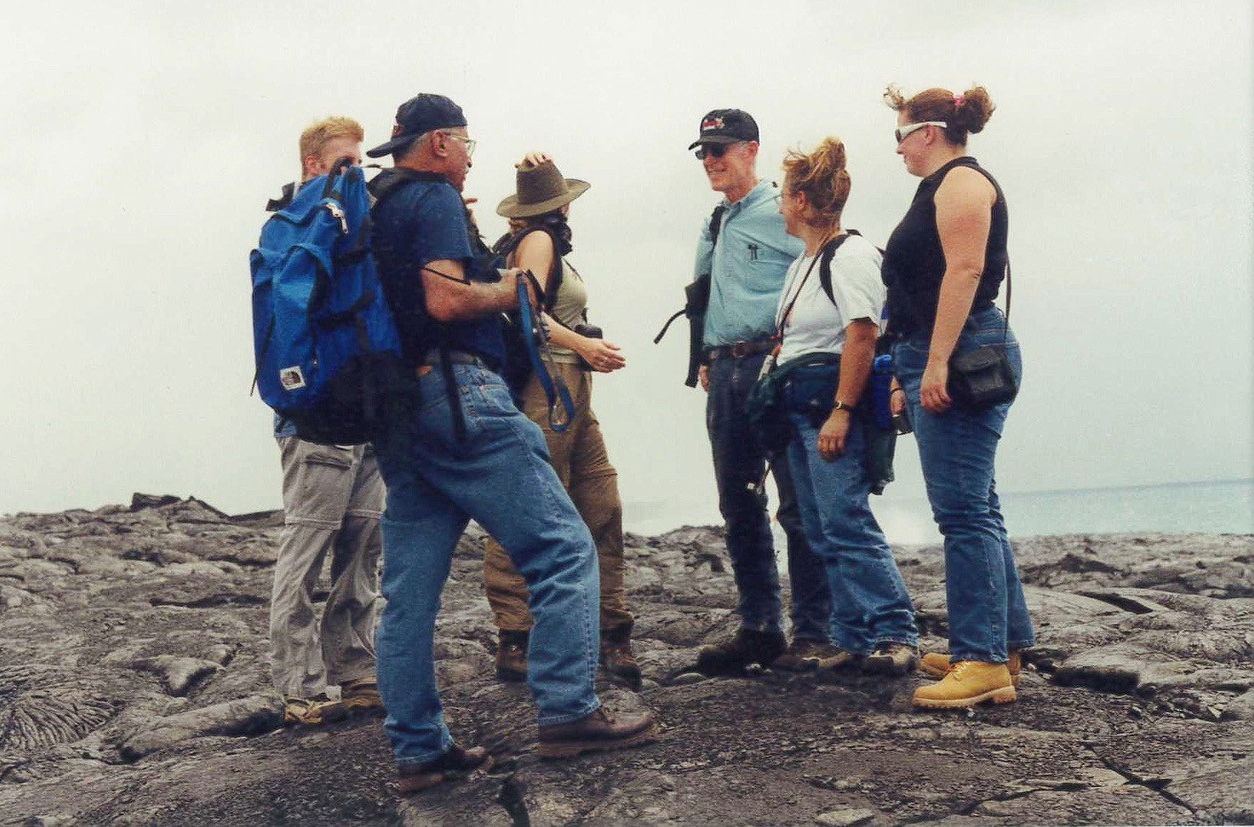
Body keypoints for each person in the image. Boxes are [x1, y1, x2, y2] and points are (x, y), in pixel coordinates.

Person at [364, 93, 657, 794]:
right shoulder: (432, 196)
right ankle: (568, 712)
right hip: (461, 397)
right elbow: (444, 298)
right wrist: (511, 290)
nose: (470, 157)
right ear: (439, 143)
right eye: (466, 143)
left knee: (407, 595)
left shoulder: (377, 204)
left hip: (399, 408)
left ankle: (420, 751)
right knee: (561, 546)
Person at [880, 85, 1035, 708]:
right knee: (979, 506)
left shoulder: (963, 185)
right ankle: (1004, 643)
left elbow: (965, 272)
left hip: (965, 350)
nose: (896, 149)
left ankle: (982, 660)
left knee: (963, 513)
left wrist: (936, 362)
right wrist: (904, 367)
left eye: (899, 135)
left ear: (927, 131)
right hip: (936, 346)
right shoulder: (937, 188)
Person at [686, 109, 837, 674]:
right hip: (724, 372)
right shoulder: (716, 221)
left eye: (720, 149)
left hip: (776, 370)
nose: (710, 161)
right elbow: (704, 295)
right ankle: (759, 628)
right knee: (739, 503)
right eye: (703, 151)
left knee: (798, 503)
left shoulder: (783, 212)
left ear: (752, 149)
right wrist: (705, 355)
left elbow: (830, 270)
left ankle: (816, 630)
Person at [482, 154, 641, 689]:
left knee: (600, 498)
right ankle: (519, 635)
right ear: (561, 203)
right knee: (536, 502)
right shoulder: (541, 241)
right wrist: (584, 345)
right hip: (549, 385)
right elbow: (523, 312)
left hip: (568, 388)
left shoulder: (536, 242)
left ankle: (608, 629)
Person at [773, 138, 921, 678]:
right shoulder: (803, 264)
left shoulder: (850, 256)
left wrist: (841, 410)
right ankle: (854, 637)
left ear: (804, 202)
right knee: (821, 527)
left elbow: (862, 335)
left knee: (846, 520)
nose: (780, 205)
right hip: (798, 411)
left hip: (829, 412)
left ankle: (895, 632)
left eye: (785, 194)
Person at [264, 116, 384, 726]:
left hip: (364, 416)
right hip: (315, 421)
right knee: (307, 552)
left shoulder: (357, 221)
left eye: (360, 161)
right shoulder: (296, 226)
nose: (355, 172)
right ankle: (300, 686)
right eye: (344, 162)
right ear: (314, 165)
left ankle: (357, 673)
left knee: (363, 552)